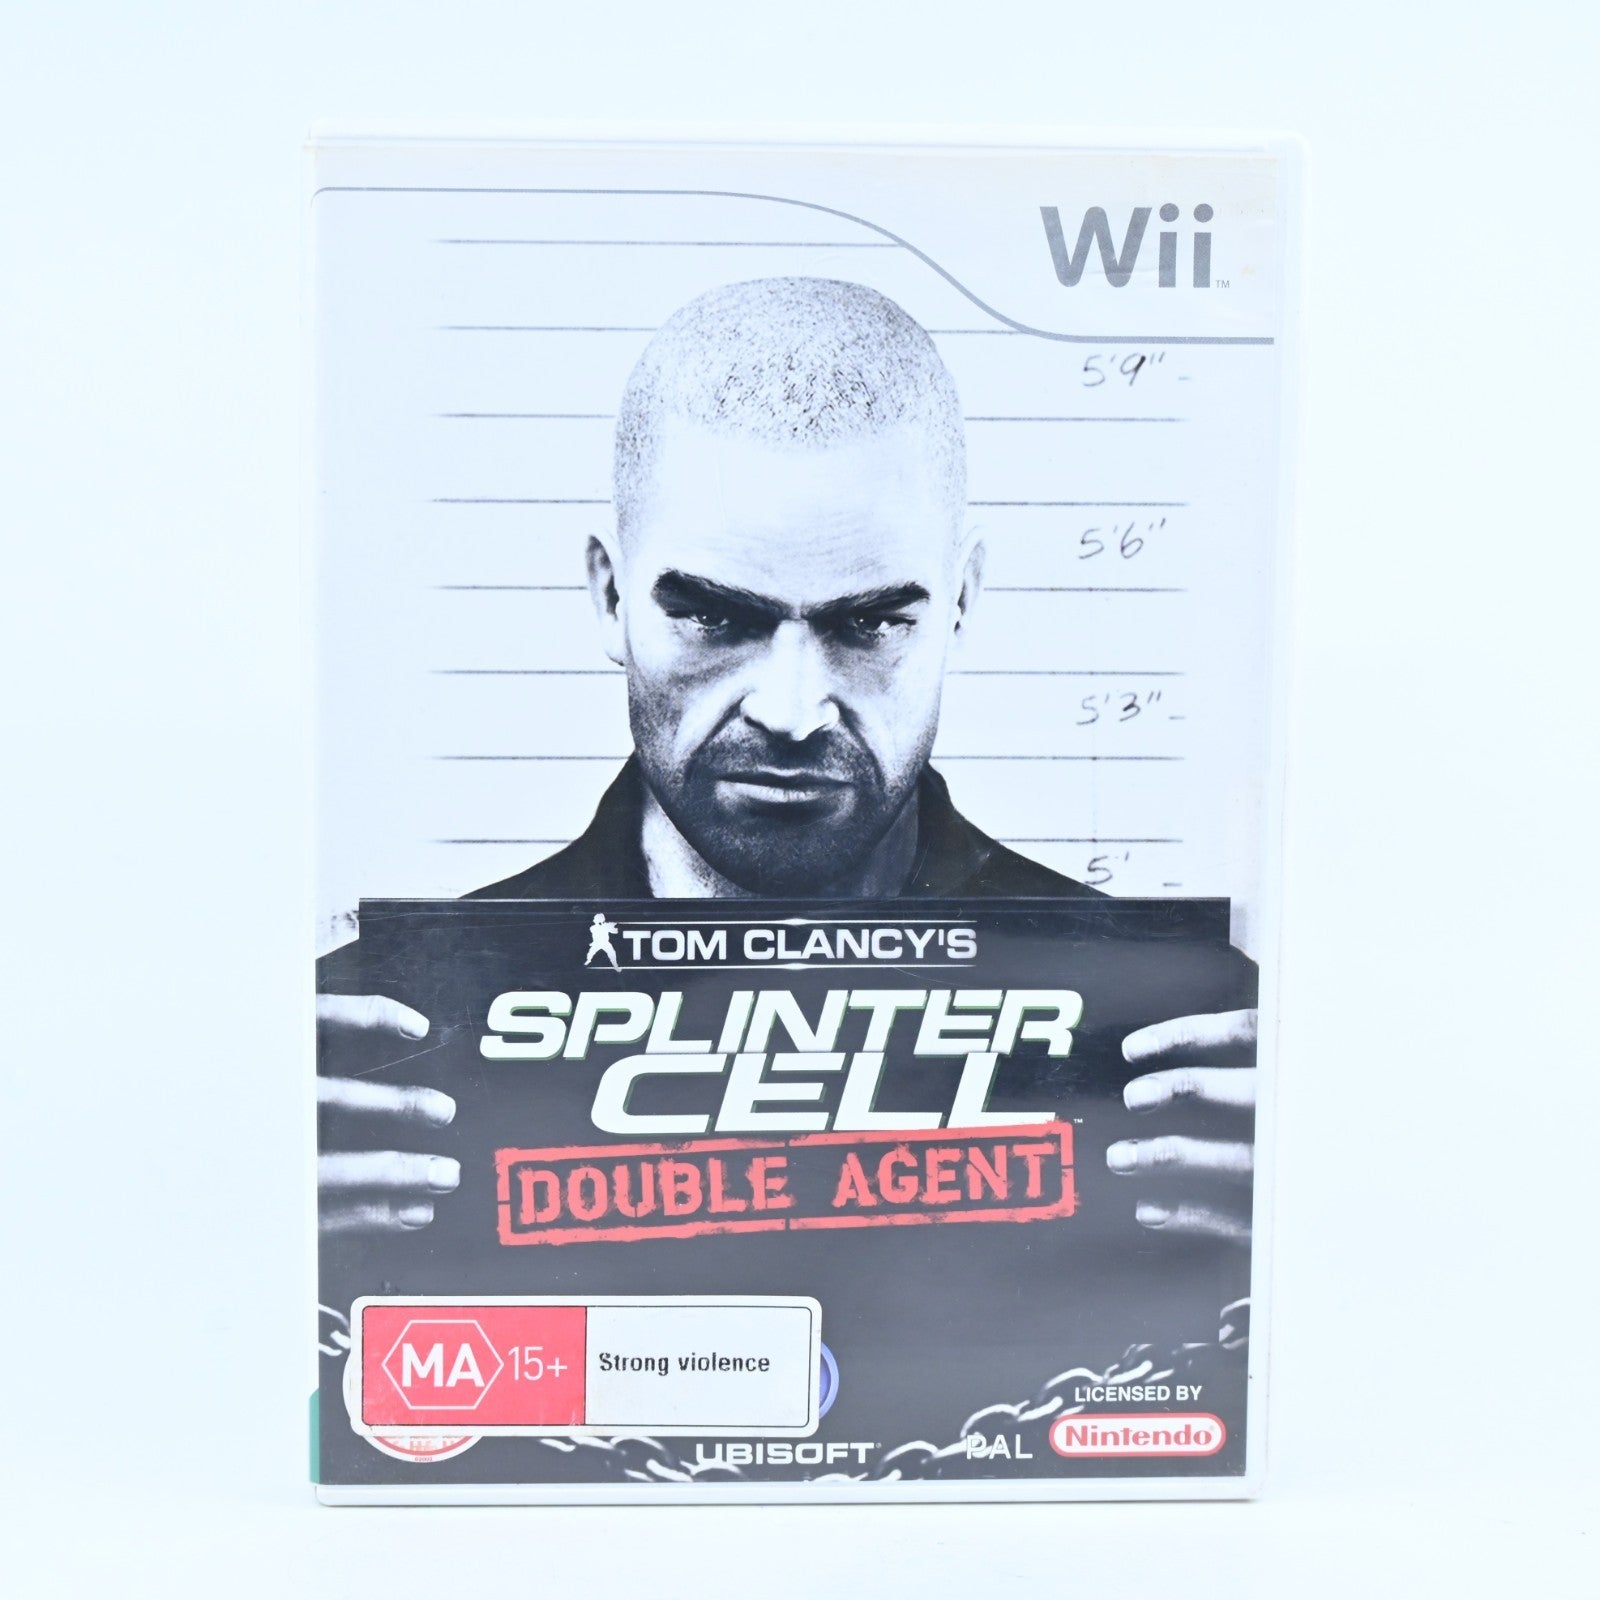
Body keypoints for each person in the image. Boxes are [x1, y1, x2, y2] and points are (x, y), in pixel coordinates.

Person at [317, 277, 1256, 1245]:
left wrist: (1304, 1228)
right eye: (714, 618)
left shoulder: (1187, 1050)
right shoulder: (371, 1045)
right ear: (610, 598)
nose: (792, 711)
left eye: (871, 624)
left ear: (962, 603)